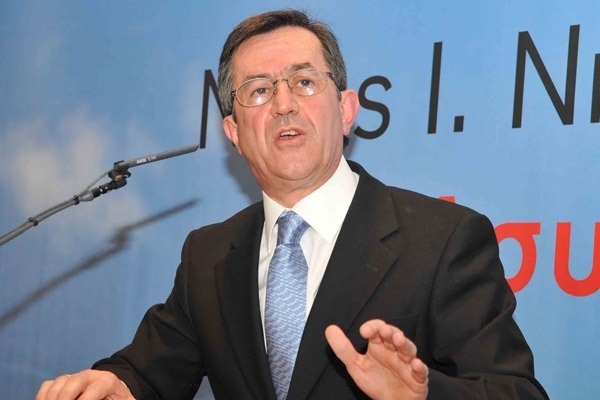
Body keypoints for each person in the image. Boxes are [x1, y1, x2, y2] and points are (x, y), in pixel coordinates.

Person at [36, 9, 549, 400]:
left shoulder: (443, 239)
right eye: (258, 90)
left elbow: (516, 393)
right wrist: (116, 386)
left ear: (346, 110)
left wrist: (422, 395)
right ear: (234, 132)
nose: (283, 104)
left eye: (304, 82)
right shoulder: (208, 256)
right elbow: (145, 374)